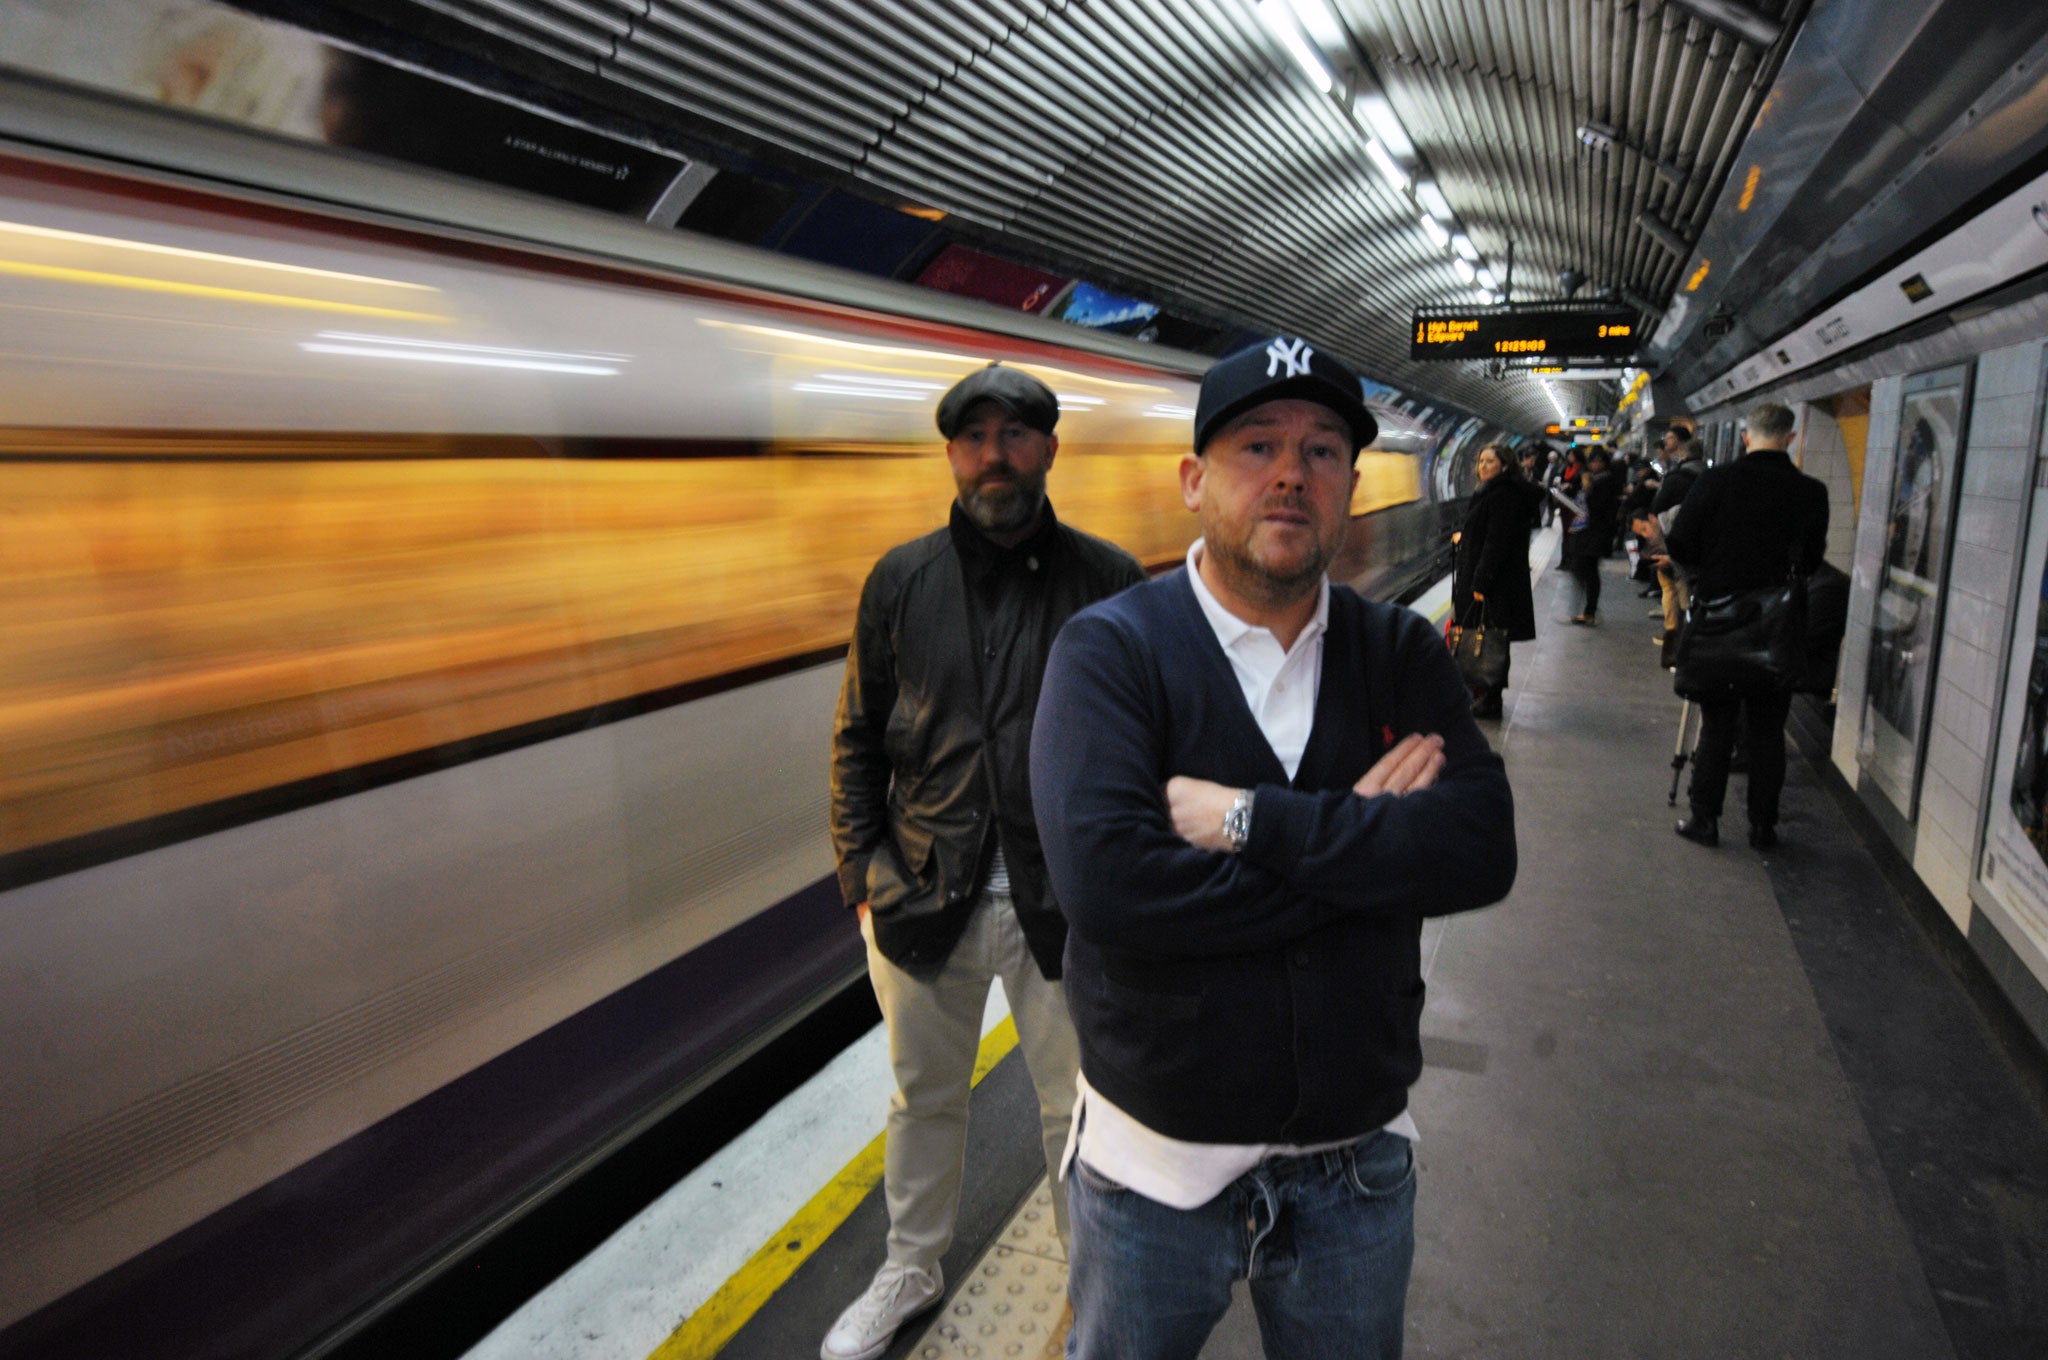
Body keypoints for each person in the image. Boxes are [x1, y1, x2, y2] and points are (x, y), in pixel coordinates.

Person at [1029, 336, 1517, 1360]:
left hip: (1353, 1161)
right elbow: (1112, 891)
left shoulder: (1396, 653)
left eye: (1323, 449)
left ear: (1349, 484)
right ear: (1193, 481)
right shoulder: (1110, 652)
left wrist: (1256, 822)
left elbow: (1479, 851)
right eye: (1256, 445)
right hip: (1153, 1170)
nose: (1291, 472)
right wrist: (1373, 849)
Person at [826, 362, 1145, 1360]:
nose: (993, 455)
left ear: (1049, 449)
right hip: (924, 899)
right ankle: (909, 1265)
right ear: (951, 454)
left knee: (1075, 1112)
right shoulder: (900, 579)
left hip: (1065, 908)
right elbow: (856, 737)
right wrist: (861, 880)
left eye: (1015, 435)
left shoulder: (1110, 581)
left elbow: (1149, 744)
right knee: (921, 1097)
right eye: (974, 437)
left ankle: (1085, 1279)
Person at [1665, 401, 1829, 850]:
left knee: (1717, 724)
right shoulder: (1811, 492)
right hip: (1776, 628)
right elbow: (1812, 561)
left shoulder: (1715, 482)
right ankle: (1762, 826)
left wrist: (1713, 571)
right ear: (1790, 438)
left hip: (1720, 619)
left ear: (1745, 436)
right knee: (1767, 729)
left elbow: (1680, 542)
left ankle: (1705, 820)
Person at [1451, 443, 1538, 718]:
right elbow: (1486, 534)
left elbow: (1496, 543)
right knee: (1489, 636)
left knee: (1491, 639)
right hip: (1490, 578)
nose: (1483, 466)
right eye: (1481, 461)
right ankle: (1484, 694)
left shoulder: (1503, 495)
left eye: (1490, 461)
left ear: (1505, 465)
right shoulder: (1493, 491)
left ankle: (1490, 698)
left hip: (1494, 583)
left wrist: (1481, 584)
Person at [1649, 422, 1707, 655]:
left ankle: (1673, 636)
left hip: (1673, 539)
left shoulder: (1676, 478)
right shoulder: (1708, 476)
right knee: (1686, 592)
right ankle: (1684, 635)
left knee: (1672, 588)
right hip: (1699, 543)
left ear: (1683, 452)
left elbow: (1657, 508)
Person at [1560, 445, 1620, 624]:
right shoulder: (1600, 479)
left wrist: (1587, 489)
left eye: (1595, 461)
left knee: (1588, 571)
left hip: (1595, 533)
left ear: (1602, 462)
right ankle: (1588, 610)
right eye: (1591, 461)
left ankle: (1589, 612)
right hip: (1591, 533)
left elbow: (1596, 507)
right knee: (1585, 570)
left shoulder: (1605, 480)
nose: (1592, 465)